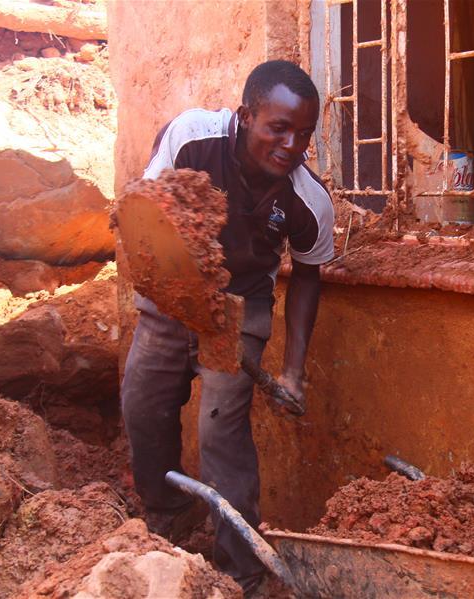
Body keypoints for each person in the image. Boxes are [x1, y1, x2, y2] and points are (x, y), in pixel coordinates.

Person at [120, 60, 334, 592]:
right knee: (142, 404)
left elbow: (307, 278)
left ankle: (243, 571)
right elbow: (144, 211)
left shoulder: (308, 201)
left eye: (304, 133)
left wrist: (294, 371)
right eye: (278, 128)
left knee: (221, 433)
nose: (291, 145)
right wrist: (181, 291)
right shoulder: (192, 138)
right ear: (245, 116)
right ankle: (168, 515)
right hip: (171, 295)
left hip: (240, 309)